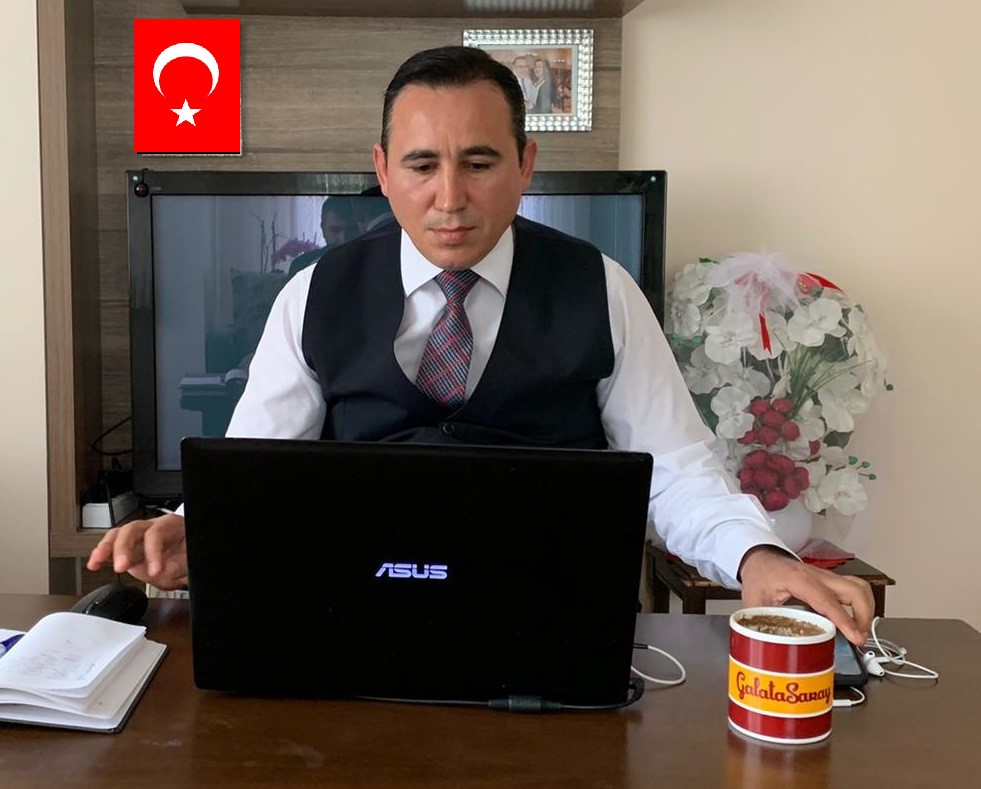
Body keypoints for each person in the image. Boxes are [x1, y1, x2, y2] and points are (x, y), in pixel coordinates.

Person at [88, 45, 875, 646]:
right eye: (421, 165)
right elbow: (253, 466)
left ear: (525, 164)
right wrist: (194, 526)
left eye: (479, 162)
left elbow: (674, 468)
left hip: (552, 623)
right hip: (349, 622)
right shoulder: (313, 294)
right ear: (383, 171)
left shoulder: (601, 289)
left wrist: (756, 557)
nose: (450, 198)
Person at [287, 196, 360, 277]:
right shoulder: (301, 266)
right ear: (323, 229)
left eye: (351, 230)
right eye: (335, 230)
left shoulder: (369, 263)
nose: (343, 239)